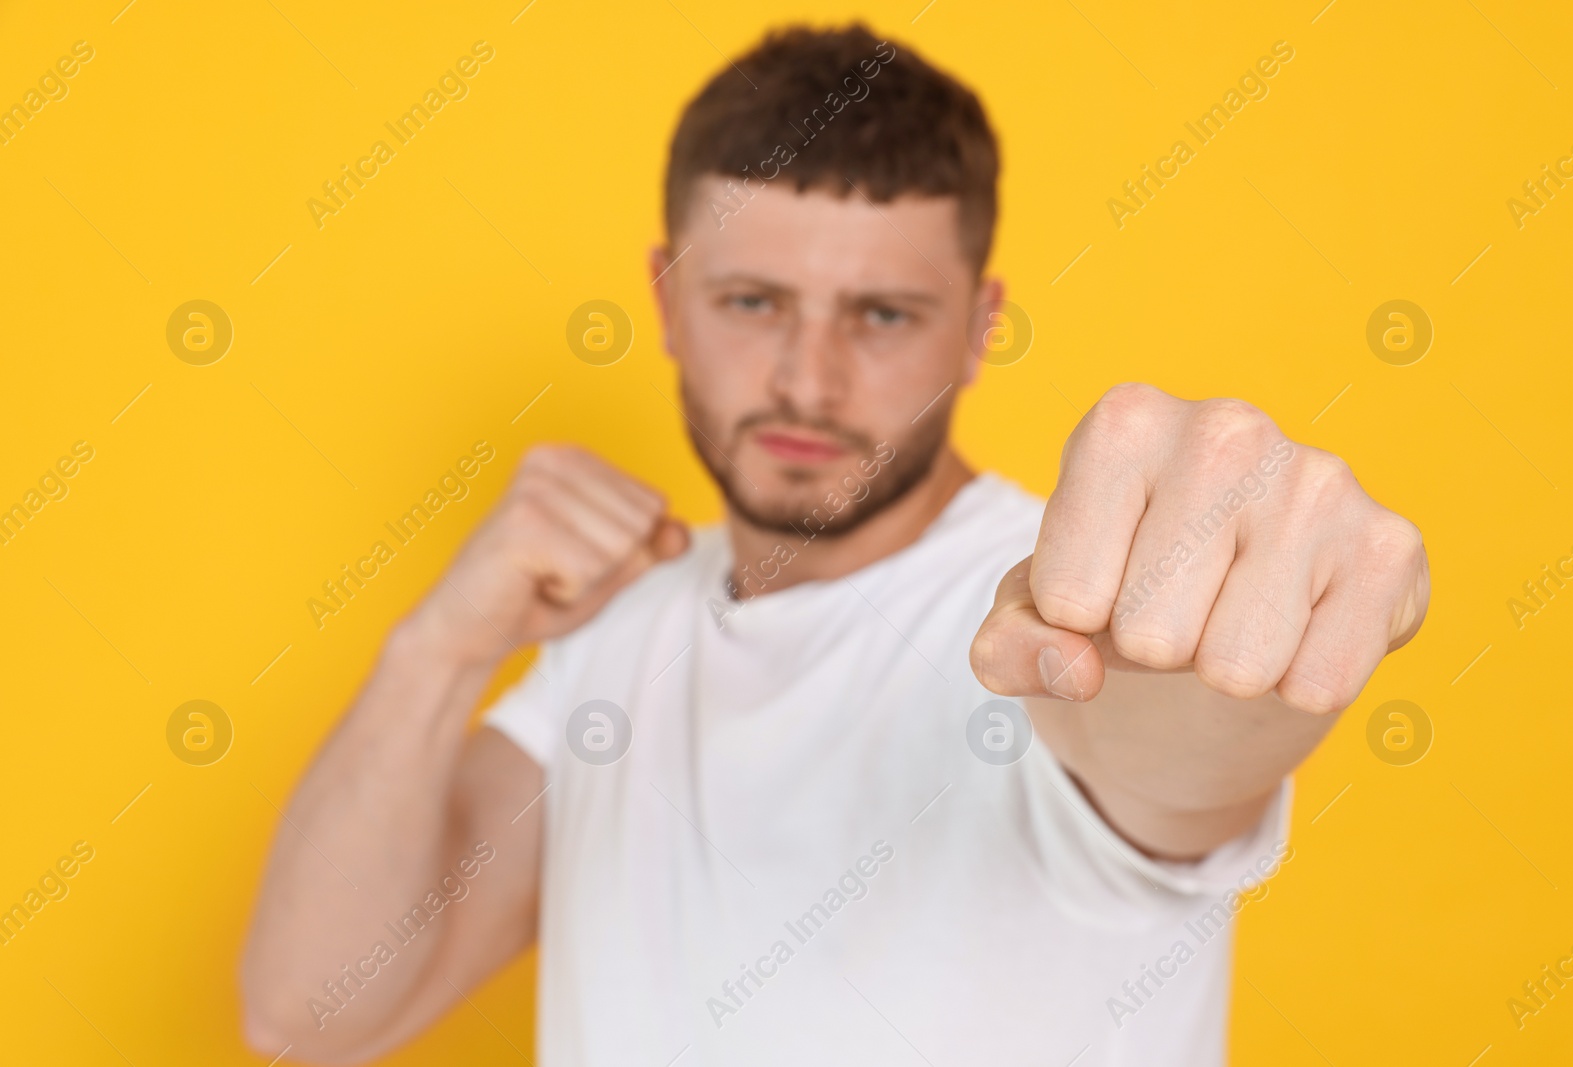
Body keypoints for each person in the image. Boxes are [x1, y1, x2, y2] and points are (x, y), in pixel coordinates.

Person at [240, 23, 1428, 1066]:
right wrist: (442, 642)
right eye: (752, 301)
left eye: (882, 314)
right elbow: (311, 1009)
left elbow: (1170, 753)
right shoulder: (626, 627)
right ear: (664, 301)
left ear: (977, 329)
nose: (809, 380)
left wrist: (1247, 624)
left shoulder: (1055, 609)